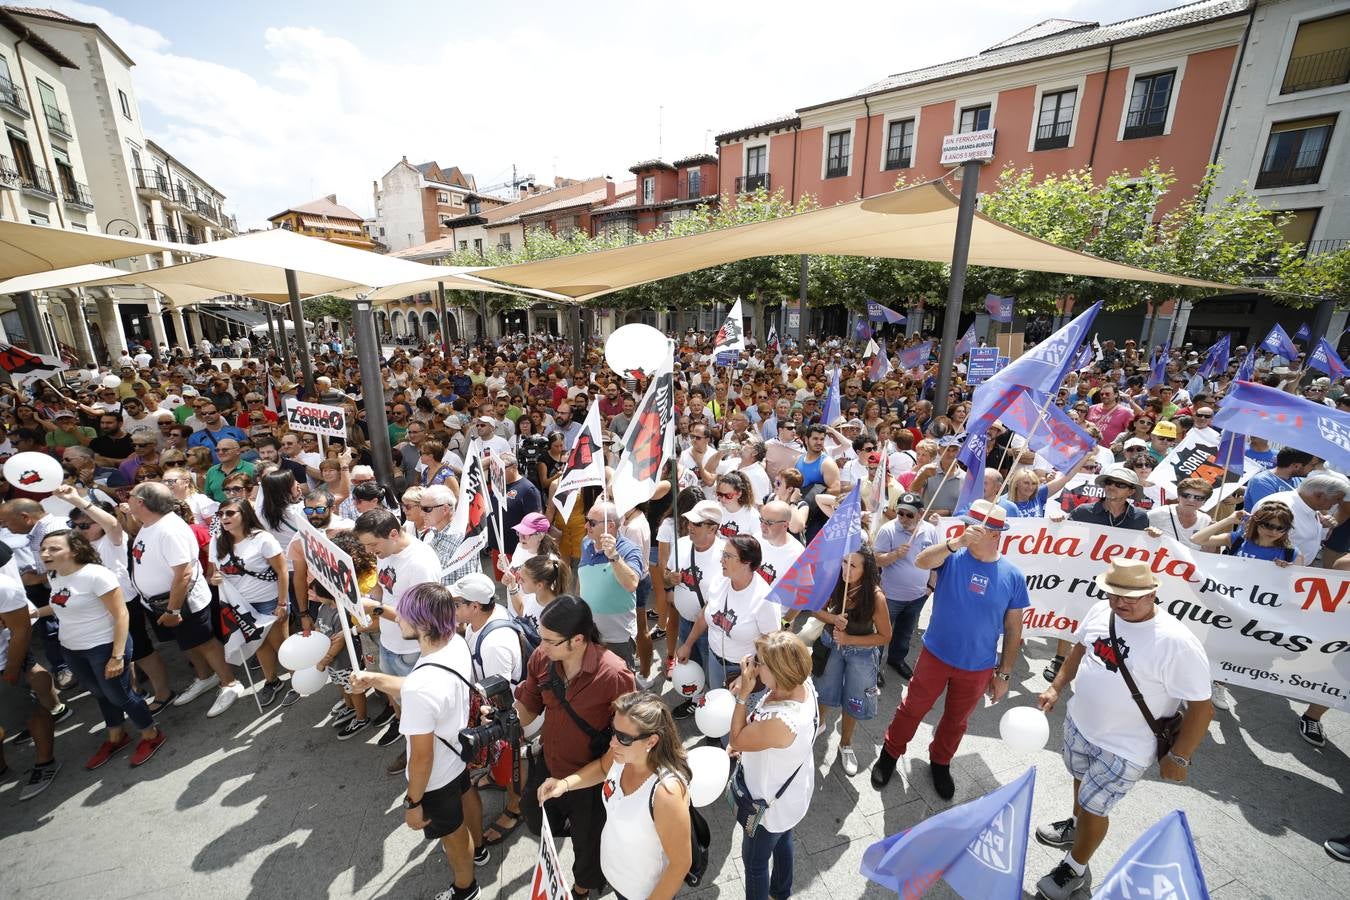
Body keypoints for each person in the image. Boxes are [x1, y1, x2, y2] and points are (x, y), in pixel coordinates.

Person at [1034, 559, 1213, 900]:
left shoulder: (1177, 642)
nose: (1120, 603)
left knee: (1095, 807)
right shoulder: (1102, 611)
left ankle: (1075, 866)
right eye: (1114, 594)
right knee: (1080, 782)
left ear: (1154, 592)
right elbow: (1080, 650)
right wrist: (1057, 686)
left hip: (1127, 747)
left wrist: (1180, 756)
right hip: (1080, 724)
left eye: (1132, 596)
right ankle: (1076, 827)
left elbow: (1202, 709)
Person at [871, 499, 1027, 800]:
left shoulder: (1013, 575)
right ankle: (890, 752)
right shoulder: (952, 556)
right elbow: (921, 561)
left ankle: (940, 761)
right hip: (936, 655)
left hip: (978, 665)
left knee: (957, 719)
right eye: (966, 526)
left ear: (994, 534)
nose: (966, 530)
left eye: (973, 528)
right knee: (912, 708)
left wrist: (1004, 674)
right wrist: (955, 542)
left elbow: (1013, 628)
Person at [351, 583, 480, 900]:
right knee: (466, 796)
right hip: (458, 751)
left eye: (403, 616)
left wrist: (413, 802)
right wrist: (377, 679)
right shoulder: (454, 644)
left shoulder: (420, 688)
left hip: (436, 775)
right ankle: (480, 850)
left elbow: (421, 757)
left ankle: (466, 888)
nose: (398, 622)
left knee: (452, 834)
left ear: (423, 625)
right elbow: (420, 686)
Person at [514, 596, 635, 899]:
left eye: (548, 640)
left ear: (578, 640)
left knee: (587, 843)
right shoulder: (542, 660)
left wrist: (608, 770)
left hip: (589, 776)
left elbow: (629, 734)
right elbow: (527, 711)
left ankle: (583, 889)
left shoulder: (615, 675)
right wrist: (502, 711)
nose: (540, 646)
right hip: (550, 764)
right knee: (532, 813)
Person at [537, 691, 693, 900]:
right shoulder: (622, 754)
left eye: (624, 737)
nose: (612, 743)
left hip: (643, 892)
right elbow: (603, 768)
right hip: (617, 876)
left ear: (651, 741)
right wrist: (564, 784)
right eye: (613, 731)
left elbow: (680, 864)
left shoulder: (667, 794)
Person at [38, 528, 167, 769]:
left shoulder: (96, 575)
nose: (45, 553)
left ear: (75, 550)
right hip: (72, 649)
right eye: (43, 549)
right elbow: (60, 605)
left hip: (104, 647)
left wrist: (117, 657)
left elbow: (121, 615)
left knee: (121, 695)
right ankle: (117, 736)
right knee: (100, 693)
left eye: (53, 549)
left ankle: (151, 734)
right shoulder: (54, 575)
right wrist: (33, 613)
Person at [128, 482, 244, 717]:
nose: (126, 500)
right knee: (187, 643)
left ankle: (229, 683)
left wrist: (172, 610)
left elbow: (184, 572)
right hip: (159, 603)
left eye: (130, 496)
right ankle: (205, 677)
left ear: (141, 502)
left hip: (181, 602)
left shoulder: (169, 529)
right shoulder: (150, 524)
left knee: (205, 642)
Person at [728, 630, 817, 900]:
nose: (753, 666)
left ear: (777, 672)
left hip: (768, 806)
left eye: (759, 662)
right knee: (784, 840)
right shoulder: (804, 684)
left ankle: (775, 892)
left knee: (755, 863)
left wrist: (744, 693)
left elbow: (737, 738)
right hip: (789, 796)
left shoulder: (781, 721)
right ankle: (781, 892)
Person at [354, 508, 444, 772]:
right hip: (390, 643)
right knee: (400, 703)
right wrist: (372, 597)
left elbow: (421, 620)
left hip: (413, 650)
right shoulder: (387, 551)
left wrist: (375, 609)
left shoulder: (420, 563)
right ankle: (411, 746)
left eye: (373, 545)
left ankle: (429, 757)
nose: (370, 552)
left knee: (421, 710)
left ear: (393, 534)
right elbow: (382, 585)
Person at [453, 572, 525, 858]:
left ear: (474, 606)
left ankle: (516, 805)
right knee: (499, 761)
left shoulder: (494, 643)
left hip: (506, 714)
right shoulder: (479, 620)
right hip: (491, 705)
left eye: (457, 602)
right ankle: (498, 778)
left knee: (508, 758)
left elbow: (500, 694)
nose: (452, 607)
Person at [814, 543, 890, 776]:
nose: (846, 569)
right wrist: (834, 618)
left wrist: (849, 639)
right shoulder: (834, 580)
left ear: (866, 569)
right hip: (830, 645)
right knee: (823, 690)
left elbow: (885, 636)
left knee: (854, 700)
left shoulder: (876, 597)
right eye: (844, 562)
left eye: (853, 565)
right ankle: (820, 724)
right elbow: (816, 609)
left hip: (861, 654)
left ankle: (845, 744)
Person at [209, 499, 289, 707]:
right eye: (220, 514)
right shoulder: (217, 540)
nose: (224, 518)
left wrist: (282, 603)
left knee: (280, 643)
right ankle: (272, 681)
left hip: (268, 600)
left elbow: (282, 571)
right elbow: (213, 573)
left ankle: (296, 678)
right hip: (241, 606)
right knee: (258, 645)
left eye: (229, 513)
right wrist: (214, 579)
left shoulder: (262, 539)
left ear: (244, 514)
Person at [677, 534, 778, 692]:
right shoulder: (720, 580)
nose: (721, 560)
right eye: (722, 554)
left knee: (741, 716)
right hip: (715, 661)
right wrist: (688, 644)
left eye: (727, 556)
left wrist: (747, 674)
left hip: (744, 671)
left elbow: (771, 645)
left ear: (746, 562)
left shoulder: (765, 599)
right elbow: (706, 613)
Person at [664, 499, 727, 717]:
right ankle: (696, 701)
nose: (690, 526)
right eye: (689, 520)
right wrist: (669, 578)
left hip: (709, 627)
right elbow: (666, 574)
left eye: (697, 523)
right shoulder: (681, 544)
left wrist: (689, 642)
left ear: (713, 528)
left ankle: (713, 714)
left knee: (713, 674)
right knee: (694, 666)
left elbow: (711, 607)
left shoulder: (724, 555)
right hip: (684, 620)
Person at [872, 491, 936, 679]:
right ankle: (874, 667)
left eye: (909, 514)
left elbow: (934, 560)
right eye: (900, 513)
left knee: (905, 633)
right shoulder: (888, 530)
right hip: (891, 595)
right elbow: (876, 560)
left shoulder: (930, 530)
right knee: (881, 634)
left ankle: (896, 660)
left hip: (917, 596)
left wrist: (931, 587)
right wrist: (895, 555)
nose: (903, 518)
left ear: (921, 513)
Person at [577, 500, 643, 669]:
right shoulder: (586, 543)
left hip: (618, 639)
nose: (586, 526)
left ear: (611, 526)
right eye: (587, 520)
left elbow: (632, 584)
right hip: (589, 634)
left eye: (592, 523)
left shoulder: (630, 550)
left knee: (621, 689)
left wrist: (613, 556)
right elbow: (582, 579)